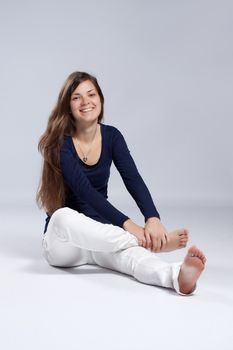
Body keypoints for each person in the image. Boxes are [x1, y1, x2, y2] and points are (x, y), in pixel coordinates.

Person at [36, 71, 206, 295]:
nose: (86, 101)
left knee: (134, 259)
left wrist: (152, 218)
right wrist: (131, 227)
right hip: (65, 244)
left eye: (91, 94)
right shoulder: (61, 143)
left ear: (101, 100)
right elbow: (85, 192)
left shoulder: (112, 136)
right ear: (68, 106)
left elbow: (132, 178)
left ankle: (176, 277)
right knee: (61, 217)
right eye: (77, 97)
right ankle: (148, 242)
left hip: (104, 237)